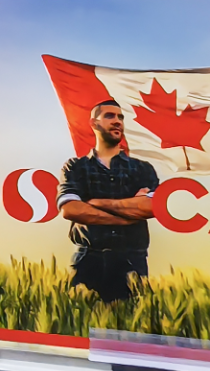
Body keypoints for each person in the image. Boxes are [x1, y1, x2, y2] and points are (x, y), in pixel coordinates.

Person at [57, 100, 160, 302]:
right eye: (110, 116)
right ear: (94, 124)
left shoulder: (142, 169)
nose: (117, 121)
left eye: (120, 117)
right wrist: (128, 213)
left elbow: (150, 207)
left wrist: (95, 203)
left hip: (132, 261)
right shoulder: (75, 167)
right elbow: (70, 209)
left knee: (132, 327)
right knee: (78, 325)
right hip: (88, 259)